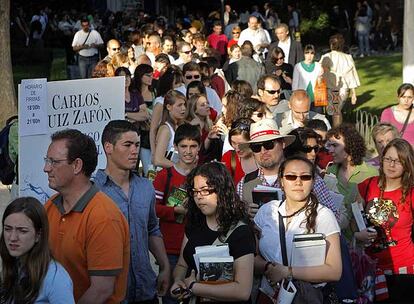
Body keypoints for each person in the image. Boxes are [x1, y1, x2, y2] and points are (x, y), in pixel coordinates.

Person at [43, 129, 130, 303]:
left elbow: (101, 290)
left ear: (77, 166)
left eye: (54, 162)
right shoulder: (50, 206)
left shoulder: (104, 217)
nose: (46, 168)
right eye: (47, 161)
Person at [95, 120, 171, 303]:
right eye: (127, 145)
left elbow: (152, 228)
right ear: (108, 147)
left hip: (146, 289)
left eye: (137, 145)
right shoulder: (94, 191)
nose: (134, 151)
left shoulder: (146, 188)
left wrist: (165, 266)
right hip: (111, 294)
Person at [254, 156, 341, 301]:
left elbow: (334, 271)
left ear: (313, 182)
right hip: (268, 295)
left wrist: (287, 272)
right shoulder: (267, 210)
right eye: (291, 176)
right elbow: (251, 257)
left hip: (305, 297)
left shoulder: (324, 215)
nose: (298, 182)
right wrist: (268, 267)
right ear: (282, 181)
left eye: (305, 177)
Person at [170, 162, 256, 303]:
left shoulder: (241, 232)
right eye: (195, 191)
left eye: (205, 190)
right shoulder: (194, 224)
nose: (199, 197)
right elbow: (181, 265)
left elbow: (242, 291)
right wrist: (178, 281)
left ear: (222, 190)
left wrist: (194, 287)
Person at [238, 119, 337, 219]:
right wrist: (245, 215)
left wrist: (305, 213)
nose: (263, 151)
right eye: (256, 147)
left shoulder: (307, 177)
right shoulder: (244, 183)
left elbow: (333, 218)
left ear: (283, 144)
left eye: (269, 144)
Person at [356, 138, 414, 302]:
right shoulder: (367, 185)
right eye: (388, 158)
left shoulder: (411, 192)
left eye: (398, 161)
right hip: (370, 270)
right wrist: (357, 235)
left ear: (407, 164)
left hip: (404, 271)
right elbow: (354, 222)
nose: (392, 164)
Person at [153, 123, 201, 304]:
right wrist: (175, 211)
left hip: (198, 247)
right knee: (171, 297)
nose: (188, 151)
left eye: (193, 146)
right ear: (175, 147)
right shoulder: (165, 176)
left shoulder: (204, 175)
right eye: (183, 146)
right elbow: (153, 209)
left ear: (199, 147)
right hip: (171, 249)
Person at [0, 197, 75, 303]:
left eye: (22, 231)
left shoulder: (55, 278)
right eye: (7, 229)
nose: (12, 238)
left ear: (38, 235)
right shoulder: (14, 265)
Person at [325, 124, 378, 240]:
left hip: (365, 246)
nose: (330, 150)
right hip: (338, 241)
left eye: (335, 145)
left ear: (350, 145)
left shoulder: (371, 174)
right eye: (329, 145)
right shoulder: (330, 172)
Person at [320, 34, 360, 126]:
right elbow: (352, 75)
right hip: (343, 88)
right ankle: (337, 132)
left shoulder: (326, 57)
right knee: (336, 111)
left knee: (335, 112)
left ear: (331, 45)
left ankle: (336, 132)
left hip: (331, 88)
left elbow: (319, 73)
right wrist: (354, 93)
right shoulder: (347, 58)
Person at [154, 90, 187, 169]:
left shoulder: (179, 126)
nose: (184, 108)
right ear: (169, 107)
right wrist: (181, 167)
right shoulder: (165, 129)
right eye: (179, 105)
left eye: (184, 105)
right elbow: (158, 160)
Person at [221, 118, 257, 184]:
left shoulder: (264, 156)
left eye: (242, 144)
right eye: (233, 142)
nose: (237, 148)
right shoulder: (229, 157)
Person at [292, 44, 323, 109]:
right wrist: (295, 98)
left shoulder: (318, 65)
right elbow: (295, 84)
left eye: (312, 53)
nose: (309, 56)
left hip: (316, 98)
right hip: (302, 99)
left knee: (317, 117)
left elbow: (320, 83)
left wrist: (321, 76)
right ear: (304, 54)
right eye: (307, 53)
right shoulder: (298, 66)